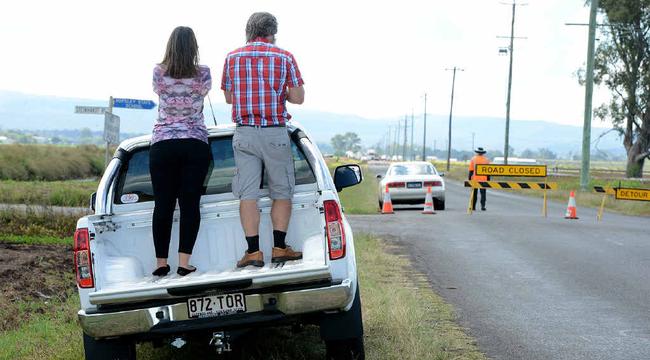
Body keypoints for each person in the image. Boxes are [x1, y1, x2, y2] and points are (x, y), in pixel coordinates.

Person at [221, 12, 305, 268]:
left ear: (249, 31)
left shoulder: (232, 57)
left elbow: (228, 98)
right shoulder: (285, 57)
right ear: (272, 32)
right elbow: (298, 97)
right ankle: (279, 248)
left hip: (244, 132)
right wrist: (279, 94)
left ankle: (253, 252)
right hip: (274, 132)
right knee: (281, 191)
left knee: (248, 194)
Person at [149, 26, 212, 277]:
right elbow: (201, 93)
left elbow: (161, 91)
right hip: (195, 142)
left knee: (163, 205)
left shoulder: (158, 72)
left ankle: (160, 264)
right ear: (194, 47)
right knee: (189, 205)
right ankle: (184, 263)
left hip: (163, 142)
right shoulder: (204, 73)